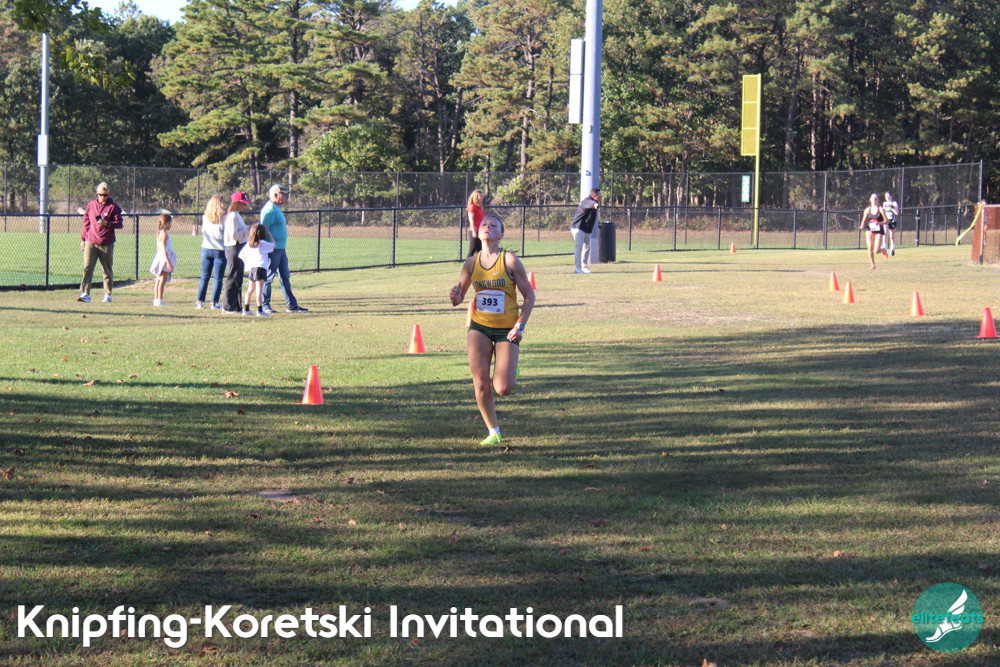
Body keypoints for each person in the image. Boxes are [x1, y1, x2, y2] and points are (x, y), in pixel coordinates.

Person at [449, 214, 535, 447]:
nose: (487, 227)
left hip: (507, 329)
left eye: (493, 225)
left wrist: (520, 325)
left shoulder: (510, 261)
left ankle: (510, 369)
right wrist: (454, 296)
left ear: (501, 234)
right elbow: (459, 297)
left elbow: (529, 296)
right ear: (477, 232)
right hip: (479, 327)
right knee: (480, 382)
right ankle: (493, 431)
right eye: (484, 225)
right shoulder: (471, 263)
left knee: (503, 388)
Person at [260, 184, 308, 314]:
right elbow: (262, 229)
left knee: (284, 277)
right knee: (268, 277)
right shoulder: (270, 209)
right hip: (273, 250)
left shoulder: (276, 208)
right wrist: (268, 246)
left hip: (281, 249)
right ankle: (264, 305)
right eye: (284, 194)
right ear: (276, 195)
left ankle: (291, 305)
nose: (286, 197)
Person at [77, 181, 124, 303]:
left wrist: (107, 223)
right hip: (91, 242)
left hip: (106, 243)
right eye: (101, 195)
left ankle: (107, 294)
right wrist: (83, 239)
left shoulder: (113, 207)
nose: (103, 197)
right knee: (87, 267)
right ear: (97, 194)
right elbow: (86, 224)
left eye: (105, 195)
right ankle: (85, 293)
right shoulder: (91, 205)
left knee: (107, 270)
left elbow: (119, 224)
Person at [195, 194, 227, 309]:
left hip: (206, 248)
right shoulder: (223, 218)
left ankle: (200, 302)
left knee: (204, 276)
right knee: (218, 278)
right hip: (220, 249)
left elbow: (204, 230)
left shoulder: (205, 217)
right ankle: (214, 302)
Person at [221, 191, 251, 313]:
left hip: (239, 247)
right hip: (234, 247)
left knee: (238, 278)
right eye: (243, 203)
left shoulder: (237, 215)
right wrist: (247, 230)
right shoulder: (232, 216)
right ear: (236, 203)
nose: (244, 206)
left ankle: (236, 305)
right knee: (233, 277)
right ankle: (228, 306)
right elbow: (234, 235)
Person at [239, 224, 275, 317]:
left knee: (250, 289)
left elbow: (241, 255)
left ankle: (246, 309)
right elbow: (274, 245)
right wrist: (269, 233)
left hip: (252, 268)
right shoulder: (262, 243)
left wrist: (248, 264)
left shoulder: (249, 244)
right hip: (260, 268)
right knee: (259, 291)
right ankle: (260, 310)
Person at [570, 188, 600, 274]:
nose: (600, 196)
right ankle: (578, 268)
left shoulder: (593, 201)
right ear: (595, 196)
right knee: (579, 247)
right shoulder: (587, 201)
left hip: (586, 228)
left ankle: (584, 267)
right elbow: (589, 204)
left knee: (586, 247)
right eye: (599, 194)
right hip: (578, 228)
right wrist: (595, 204)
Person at [149, 214, 177, 307]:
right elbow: (163, 249)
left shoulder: (160, 233)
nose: (171, 225)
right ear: (165, 223)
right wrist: (168, 262)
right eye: (170, 223)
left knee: (158, 279)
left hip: (161, 257)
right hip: (164, 259)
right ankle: (159, 299)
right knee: (162, 279)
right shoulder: (164, 234)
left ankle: (156, 299)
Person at [860, 193, 888, 270]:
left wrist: (878, 223)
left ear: (878, 200)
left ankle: (882, 250)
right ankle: (873, 265)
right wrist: (862, 225)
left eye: (876, 199)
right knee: (870, 247)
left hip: (878, 230)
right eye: (873, 198)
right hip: (869, 230)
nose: (874, 200)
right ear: (870, 200)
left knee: (876, 250)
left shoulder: (880, 209)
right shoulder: (867, 210)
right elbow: (863, 220)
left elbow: (886, 221)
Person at [466, 189, 485, 257]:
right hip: (474, 230)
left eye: (482, 196)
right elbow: (471, 220)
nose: (482, 198)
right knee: (472, 249)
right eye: (480, 196)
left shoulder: (480, 207)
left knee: (480, 249)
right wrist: (474, 231)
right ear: (476, 197)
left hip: (480, 231)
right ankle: (467, 263)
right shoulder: (472, 206)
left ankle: (479, 263)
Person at [883, 191, 899, 256]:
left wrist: (891, 208)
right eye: (886, 196)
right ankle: (884, 247)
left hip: (892, 221)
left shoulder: (894, 203)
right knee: (885, 232)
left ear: (891, 196)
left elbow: (897, 213)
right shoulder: (884, 203)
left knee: (891, 236)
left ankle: (892, 248)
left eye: (888, 196)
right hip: (886, 221)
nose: (887, 197)